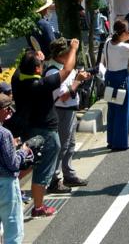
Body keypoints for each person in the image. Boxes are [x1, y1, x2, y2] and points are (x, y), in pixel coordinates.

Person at [11, 40, 80, 217]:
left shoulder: (17, 79)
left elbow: (23, 68)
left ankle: (12, 184)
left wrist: (35, 59)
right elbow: (67, 69)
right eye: (40, 66)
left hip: (27, 130)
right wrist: (73, 48)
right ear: (37, 69)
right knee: (41, 170)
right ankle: (39, 207)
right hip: (45, 133)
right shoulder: (41, 85)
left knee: (27, 162)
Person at [44, 38, 92, 191]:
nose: (73, 56)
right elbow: (63, 96)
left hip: (69, 111)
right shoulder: (53, 71)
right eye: (70, 53)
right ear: (61, 55)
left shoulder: (65, 67)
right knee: (61, 147)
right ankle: (54, 180)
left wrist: (81, 79)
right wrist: (77, 81)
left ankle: (69, 175)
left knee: (70, 145)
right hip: (61, 112)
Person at [102, 20, 129, 151]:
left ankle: (111, 140)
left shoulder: (108, 42)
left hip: (109, 77)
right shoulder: (124, 47)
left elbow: (118, 43)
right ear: (123, 33)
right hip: (121, 78)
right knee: (123, 110)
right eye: (128, 32)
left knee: (113, 110)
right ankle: (120, 142)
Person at [0, 93, 30, 244]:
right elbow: (13, 164)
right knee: (13, 232)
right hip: (5, 186)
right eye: (8, 109)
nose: (10, 112)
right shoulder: (4, 133)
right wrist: (23, 151)